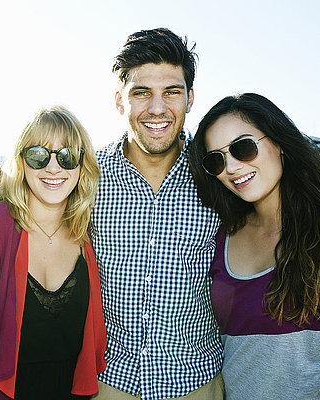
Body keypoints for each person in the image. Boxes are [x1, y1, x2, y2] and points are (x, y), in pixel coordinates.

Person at [90, 28, 224, 399]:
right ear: (120, 100)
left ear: (190, 98)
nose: (157, 109)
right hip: (107, 382)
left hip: (197, 382)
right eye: (141, 93)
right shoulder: (86, 175)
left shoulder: (219, 175)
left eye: (172, 92)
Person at [0, 105, 106, 400]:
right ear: (21, 161)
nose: (53, 168)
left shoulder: (87, 233)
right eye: (38, 155)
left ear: (82, 165)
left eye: (67, 156)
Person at [188, 93, 320, 399]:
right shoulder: (219, 238)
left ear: (279, 142)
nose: (231, 167)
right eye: (216, 160)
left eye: (242, 147)